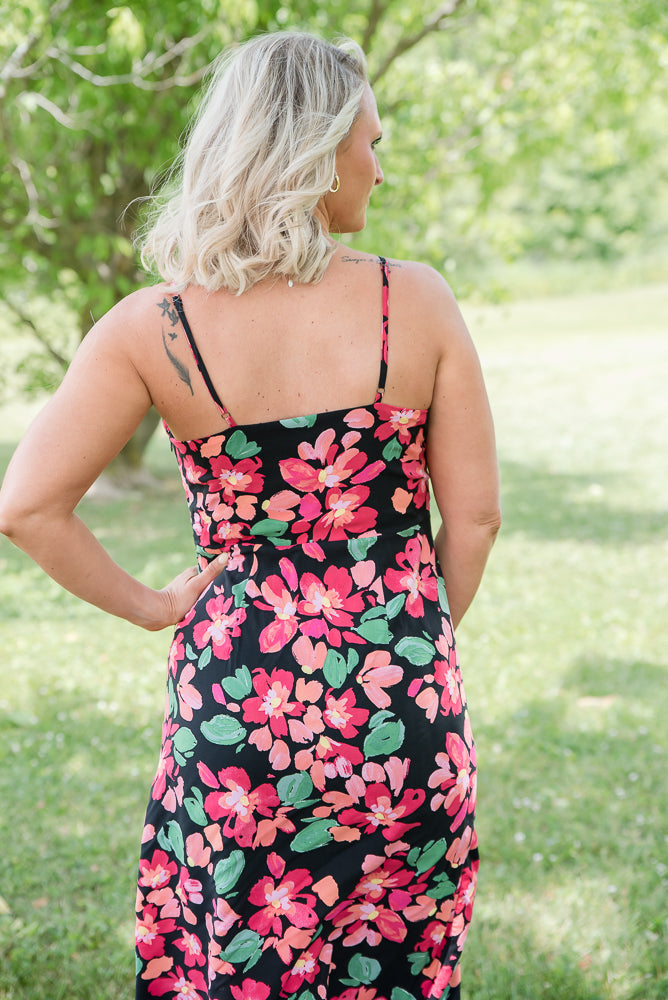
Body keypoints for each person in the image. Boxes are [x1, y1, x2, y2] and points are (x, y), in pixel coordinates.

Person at [0, 31, 500, 1000]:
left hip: (241, 701)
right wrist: (408, 642)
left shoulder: (154, 326)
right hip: (400, 693)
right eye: (371, 141)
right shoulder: (417, 301)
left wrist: (152, 605)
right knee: (391, 955)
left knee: (244, 948)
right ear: (315, 153)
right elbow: (471, 519)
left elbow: (26, 505)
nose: (380, 168)